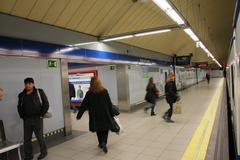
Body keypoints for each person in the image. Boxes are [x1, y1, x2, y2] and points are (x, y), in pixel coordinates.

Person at [76, 77, 114, 153]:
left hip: (94, 115)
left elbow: (84, 105)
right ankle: (104, 142)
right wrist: (112, 114)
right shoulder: (104, 91)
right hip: (105, 114)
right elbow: (109, 104)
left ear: (91, 84)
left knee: (98, 129)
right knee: (105, 129)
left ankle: (100, 143)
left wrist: (79, 116)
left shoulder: (89, 93)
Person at [17, 78, 49, 160]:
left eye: (29, 83)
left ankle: (44, 152)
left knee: (39, 137)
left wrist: (41, 115)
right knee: (26, 139)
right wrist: (22, 116)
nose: (27, 85)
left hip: (37, 119)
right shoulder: (21, 95)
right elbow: (19, 106)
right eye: (26, 84)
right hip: (27, 120)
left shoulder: (39, 92)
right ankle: (28, 155)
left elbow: (46, 104)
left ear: (33, 84)